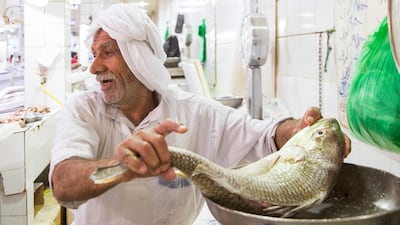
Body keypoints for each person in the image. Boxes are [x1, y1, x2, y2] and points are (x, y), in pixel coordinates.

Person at [49, 4, 351, 225]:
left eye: (107, 52)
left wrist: (298, 129)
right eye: (94, 54)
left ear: (137, 58)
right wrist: (122, 165)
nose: (94, 67)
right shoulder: (84, 110)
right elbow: (62, 183)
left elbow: (266, 136)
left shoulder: (195, 112)